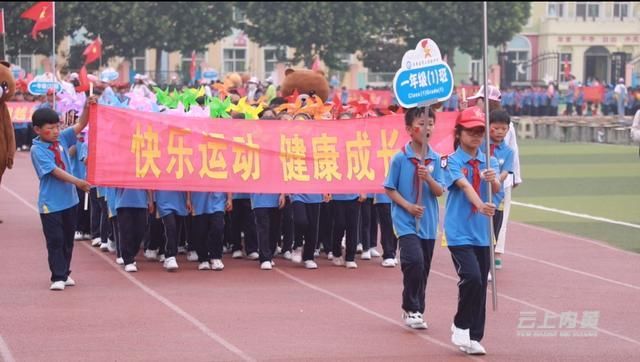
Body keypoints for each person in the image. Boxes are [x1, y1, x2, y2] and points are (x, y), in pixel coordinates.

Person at [384, 106, 445, 330]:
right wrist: (408, 206)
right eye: (422, 124)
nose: (427, 128)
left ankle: (419, 308)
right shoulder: (400, 158)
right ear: (409, 129)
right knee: (414, 262)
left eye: (430, 123)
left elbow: (440, 191)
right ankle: (410, 308)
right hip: (405, 221)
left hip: (427, 224)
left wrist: (428, 178)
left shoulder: (436, 159)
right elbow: (389, 189)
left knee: (424, 267)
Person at [445, 106, 500, 355]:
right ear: (459, 132)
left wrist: (493, 179)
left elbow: (498, 190)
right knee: (472, 277)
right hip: (459, 232)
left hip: (483, 233)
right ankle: (460, 324)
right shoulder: (451, 161)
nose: (476, 136)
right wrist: (480, 205)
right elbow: (465, 186)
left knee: (480, 286)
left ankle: (474, 336)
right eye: (471, 131)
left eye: (480, 131)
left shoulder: (491, 161)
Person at [30, 97, 95, 290]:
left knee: (68, 239)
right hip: (50, 203)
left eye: (58, 127)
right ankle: (57, 276)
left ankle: (65, 272)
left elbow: (82, 123)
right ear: (38, 130)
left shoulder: (62, 139)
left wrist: (87, 107)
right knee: (55, 240)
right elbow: (55, 172)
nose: (56, 131)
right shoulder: (37, 149)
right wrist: (78, 182)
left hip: (70, 200)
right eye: (51, 128)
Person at [486, 110, 514, 270]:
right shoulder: (483, 146)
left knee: (494, 231)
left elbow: (505, 172)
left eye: (503, 129)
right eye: (496, 128)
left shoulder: (508, 151)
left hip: (498, 197)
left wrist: (495, 180)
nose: (499, 132)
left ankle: (489, 264)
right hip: (482, 195)